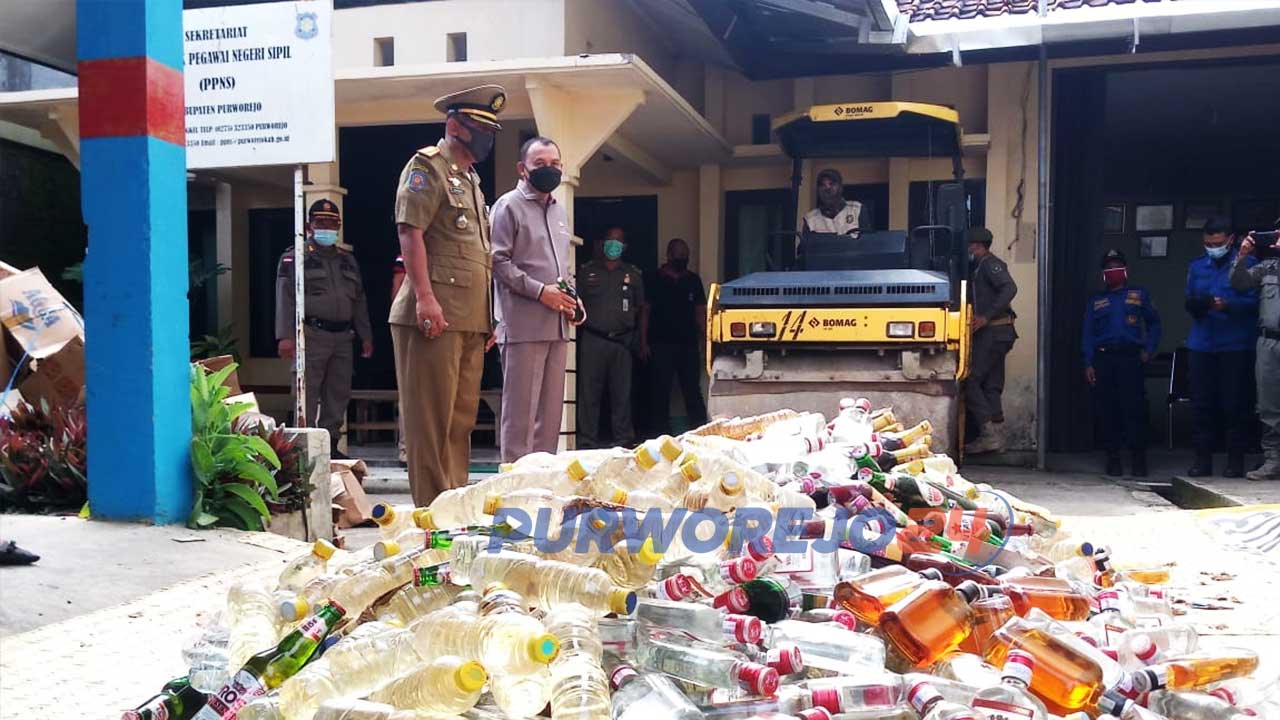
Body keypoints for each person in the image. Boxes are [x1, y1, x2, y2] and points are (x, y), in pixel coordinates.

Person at [389, 84, 505, 506]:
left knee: (460, 422)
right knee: (430, 423)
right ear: (455, 125)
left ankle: (452, 507)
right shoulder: (428, 167)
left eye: (491, 130)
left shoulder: (471, 180)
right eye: (480, 128)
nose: (487, 138)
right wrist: (424, 297)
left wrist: (487, 316)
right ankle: (431, 513)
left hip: (469, 318)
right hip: (433, 314)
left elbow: (478, 255)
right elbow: (410, 231)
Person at [490, 136, 580, 462]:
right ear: (522, 168)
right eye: (540, 164)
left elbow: (563, 267)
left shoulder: (559, 211)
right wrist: (541, 292)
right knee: (521, 417)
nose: (549, 170)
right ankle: (514, 485)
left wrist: (572, 301)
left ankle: (543, 484)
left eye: (555, 164)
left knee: (550, 416)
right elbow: (497, 261)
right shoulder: (508, 206)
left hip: (556, 326)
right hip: (523, 326)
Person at [275, 199, 373, 455]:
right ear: (309, 226)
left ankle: (330, 446)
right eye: (321, 222)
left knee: (338, 394)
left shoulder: (347, 261)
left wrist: (366, 336)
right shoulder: (294, 257)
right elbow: (284, 298)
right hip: (311, 335)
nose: (327, 227)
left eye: (332, 223)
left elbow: (359, 299)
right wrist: (285, 337)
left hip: (342, 337)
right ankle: (303, 449)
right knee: (306, 393)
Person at [1184, 217, 1259, 478]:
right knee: (1202, 405)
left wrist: (1226, 305)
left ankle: (1234, 462)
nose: (1212, 247)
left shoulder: (1247, 265)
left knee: (1235, 405)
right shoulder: (1196, 267)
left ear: (1230, 240)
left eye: (1217, 243)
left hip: (1235, 345)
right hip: (1202, 344)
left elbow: (1256, 305)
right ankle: (1202, 461)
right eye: (1207, 243)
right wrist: (1201, 304)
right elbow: (1189, 300)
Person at [1082, 249, 1162, 477]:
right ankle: (1113, 459)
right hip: (1104, 359)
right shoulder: (1096, 301)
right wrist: (1088, 362)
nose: (1113, 271)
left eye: (1117, 266)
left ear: (1125, 270)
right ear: (1103, 273)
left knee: (1134, 409)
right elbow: (1087, 334)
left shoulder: (1139, 295)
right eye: (1109, 267)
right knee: (1108, 411)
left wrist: (1149, 350)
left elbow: (1155, 324)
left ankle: (1139, 460)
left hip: (1131, 358)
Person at [577, 227, 646, 448]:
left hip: (622, 341)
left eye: (618, 242)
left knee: (621, 394)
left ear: (624, 247)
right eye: (610, 241)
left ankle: (623, 441)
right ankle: (587, 441)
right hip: (593, 339)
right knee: (589, 393)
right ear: (601, 243)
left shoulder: (633, 274)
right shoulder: (586, 272)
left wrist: (641, 340)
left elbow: (642, 307)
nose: (613, 246)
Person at [644, 238, 709, 434]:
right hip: (660, 344)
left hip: (688, 345)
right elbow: (645, 311)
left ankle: (701, 433)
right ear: (669, 255)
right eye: (679, 255)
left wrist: (707, 340)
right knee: (660, 391)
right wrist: (643, 342)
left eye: (685, 256)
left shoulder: (693, 280)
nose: (682, 258)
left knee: (692, 391)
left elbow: (700, 312)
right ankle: (659, 437)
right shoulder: (654, 278)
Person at [1231, 223, 1280, 481]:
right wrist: (1242, 255)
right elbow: (1239, 284)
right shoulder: (1268, 267)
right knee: (1269, 404)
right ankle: (1273, 460)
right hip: (1268, 343)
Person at [964, 226, 1018, 455]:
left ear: (977, 246)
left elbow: (1009, 288)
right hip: (1000, 333)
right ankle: (998, 436)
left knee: (970, 379)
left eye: (970, 245)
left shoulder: (989, 264)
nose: (968, 249)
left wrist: (986, 316)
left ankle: (988, 435)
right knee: (991, 385)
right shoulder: (980, 267)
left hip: (995, 332)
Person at [802, 168, 871, 237]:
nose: (827, 188)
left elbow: (868, 243)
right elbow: (805, 247)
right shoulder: (810, 219)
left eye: (832, 184)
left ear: (841, 187)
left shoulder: (857, 210)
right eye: (822, 185)